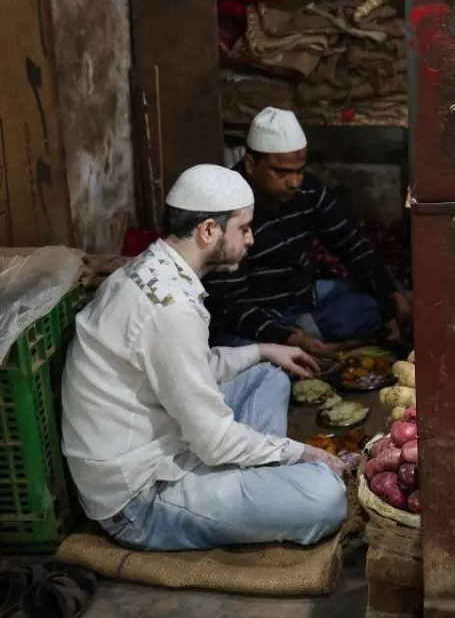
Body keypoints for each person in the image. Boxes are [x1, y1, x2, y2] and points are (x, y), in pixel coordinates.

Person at [61, 164, 349, 551]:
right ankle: (265, 479)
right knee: (325, 495)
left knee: (268, 373)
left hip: (173, 439)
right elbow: (211, 441)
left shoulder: (150, 268)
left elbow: (187, 369)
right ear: (209, 230)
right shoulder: (171, 308)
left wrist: (265, 349)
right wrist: (302, 452)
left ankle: (259, 473)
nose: (250, 240)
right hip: (140, 498)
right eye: (243, 228)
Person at [204, 107, 411, 357]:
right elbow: (229, 304)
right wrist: (289, 337)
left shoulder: (308, 191)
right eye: (281, 172)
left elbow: (352, 245)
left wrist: (390, 296)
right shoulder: (226, 207)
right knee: (240, 352)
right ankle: (307, 343)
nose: (295, 182)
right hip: (256, 318)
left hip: (306, 300)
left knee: (392, 294)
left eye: (299, 170)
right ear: (250, 163)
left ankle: (314, 341)